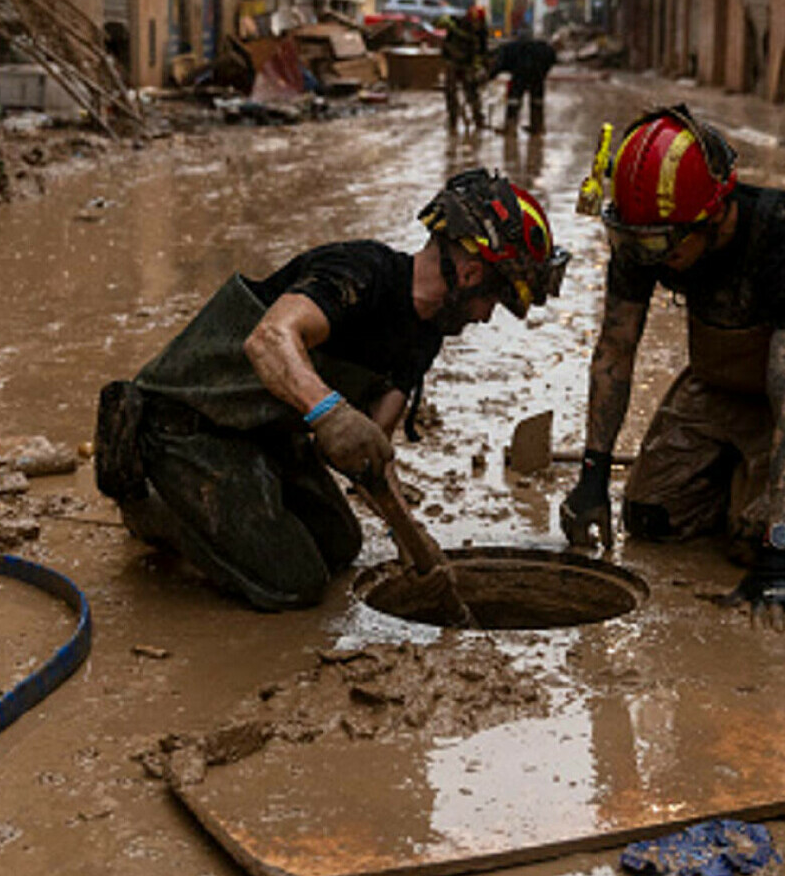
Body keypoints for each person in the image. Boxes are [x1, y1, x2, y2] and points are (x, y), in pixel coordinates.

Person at [94, 169, 568, 610]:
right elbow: (269, 339)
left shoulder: (424, 337)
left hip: (263, 436)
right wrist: (329, 413)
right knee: (293, 583)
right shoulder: (360, 271)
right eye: (493, 299)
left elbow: (370, 456)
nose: (485, 316)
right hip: (187, 424)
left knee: (342, 547)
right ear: (470, 273)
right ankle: (153, 504)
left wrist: (409, 536)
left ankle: (220, 501)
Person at [560, 105, 785, 628]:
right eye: (635, 243)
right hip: (725, 371)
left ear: (713, 215)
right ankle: (743, 477)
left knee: (750, 540)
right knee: (652, 518)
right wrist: (592, 477)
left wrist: (780, 550)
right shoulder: (651, 234)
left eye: (658, 246)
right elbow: (615, 351)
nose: (646, 259)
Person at [487, 33, 558, 135]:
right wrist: (542, 73)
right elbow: (552, 60)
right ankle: (537, 127)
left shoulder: (502, 53)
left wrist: (489, 77)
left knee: (514, 98)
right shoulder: (512, 48)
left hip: (522, 70)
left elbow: (496, 68)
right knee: (537, 98)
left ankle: (510, 127)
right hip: (538, 69)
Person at [440, 7, 490, 134]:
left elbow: (483, 51)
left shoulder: (482, 32)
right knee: (450, 91)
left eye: (478, 23)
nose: (476, 25)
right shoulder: (457, 25)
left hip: (468, 63)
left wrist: (481, 69)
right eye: (475, 22)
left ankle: (478, 118)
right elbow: (445, 35)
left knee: (471, 90)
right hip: (452, 61)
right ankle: (453, 120)